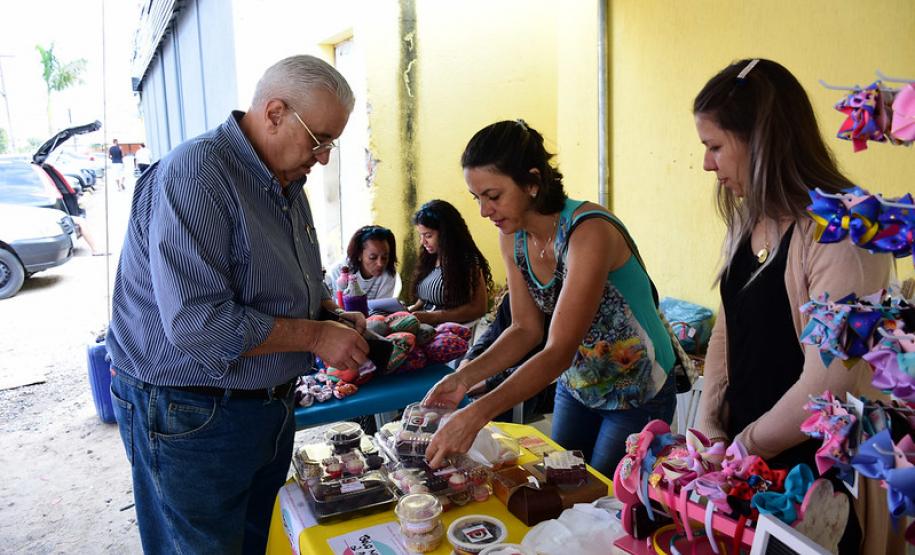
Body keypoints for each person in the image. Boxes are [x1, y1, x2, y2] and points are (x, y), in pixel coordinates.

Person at [106, 55, 369, 554]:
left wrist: (328, 316)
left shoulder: (286, 182)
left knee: (258, 542)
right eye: (320, 140)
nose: (325, 157)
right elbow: (198, 324)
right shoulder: (198, 173)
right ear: (274, 113)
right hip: (193, 413)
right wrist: (314, 336)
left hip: (264, 407)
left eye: (332, 142)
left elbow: (278, 286)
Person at [692, 58, 896, 553]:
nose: (706, 164)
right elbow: (729, 327)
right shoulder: (751, 218)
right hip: (752, 458)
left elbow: (831, 378)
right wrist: (709, 427)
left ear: (761, 140)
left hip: (816, 472)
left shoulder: (843, 230)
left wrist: (747, 444)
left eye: (715, 147)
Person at [423, 120, 676, 476]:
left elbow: (558, 350)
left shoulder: (589, 231)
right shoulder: (514, 237)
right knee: (561, 482)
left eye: (493, 196)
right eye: (477, 198)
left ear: (532, 182)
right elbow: (525, 329)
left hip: (637, 389)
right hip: (577, 383)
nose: (484, 211)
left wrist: (477, 414)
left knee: (602, 502)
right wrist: (461, 378)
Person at [463, 290, 555, 423]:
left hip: (533, 388)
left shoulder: (554, 305)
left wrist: (488, 382)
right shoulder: (512, 298)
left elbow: (548, 362)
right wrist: (469, 360)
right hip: (497, 376)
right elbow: (492, 332)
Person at [408, 199, 492, 325]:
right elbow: (427, 296)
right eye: (421, 235)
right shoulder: (430, 257)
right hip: (425, 326)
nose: (423, 242)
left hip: (448, 331)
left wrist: (434, 316)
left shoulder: (466, 261)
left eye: (428, 236)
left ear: (446, 234)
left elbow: (478, 308)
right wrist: (411, 310)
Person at [325, 225, 401, 300]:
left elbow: (381, 308)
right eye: (373, 258)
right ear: (359, 254)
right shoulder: (340, 272)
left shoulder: (388, 273)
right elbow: (338, 308)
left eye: (384, 258)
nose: (380, 264)